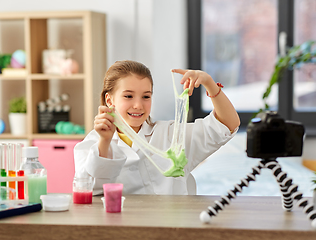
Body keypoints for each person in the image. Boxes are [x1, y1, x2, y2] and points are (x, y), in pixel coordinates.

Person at [74, 60, 240, 195]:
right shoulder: (91, 143)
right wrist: (105, 141)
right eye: (128, 96)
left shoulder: (171, 135)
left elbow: (227, 125)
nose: (138, 105)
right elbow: (87, 190)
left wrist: (209, 83)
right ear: (109, 100)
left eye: (146, 96)